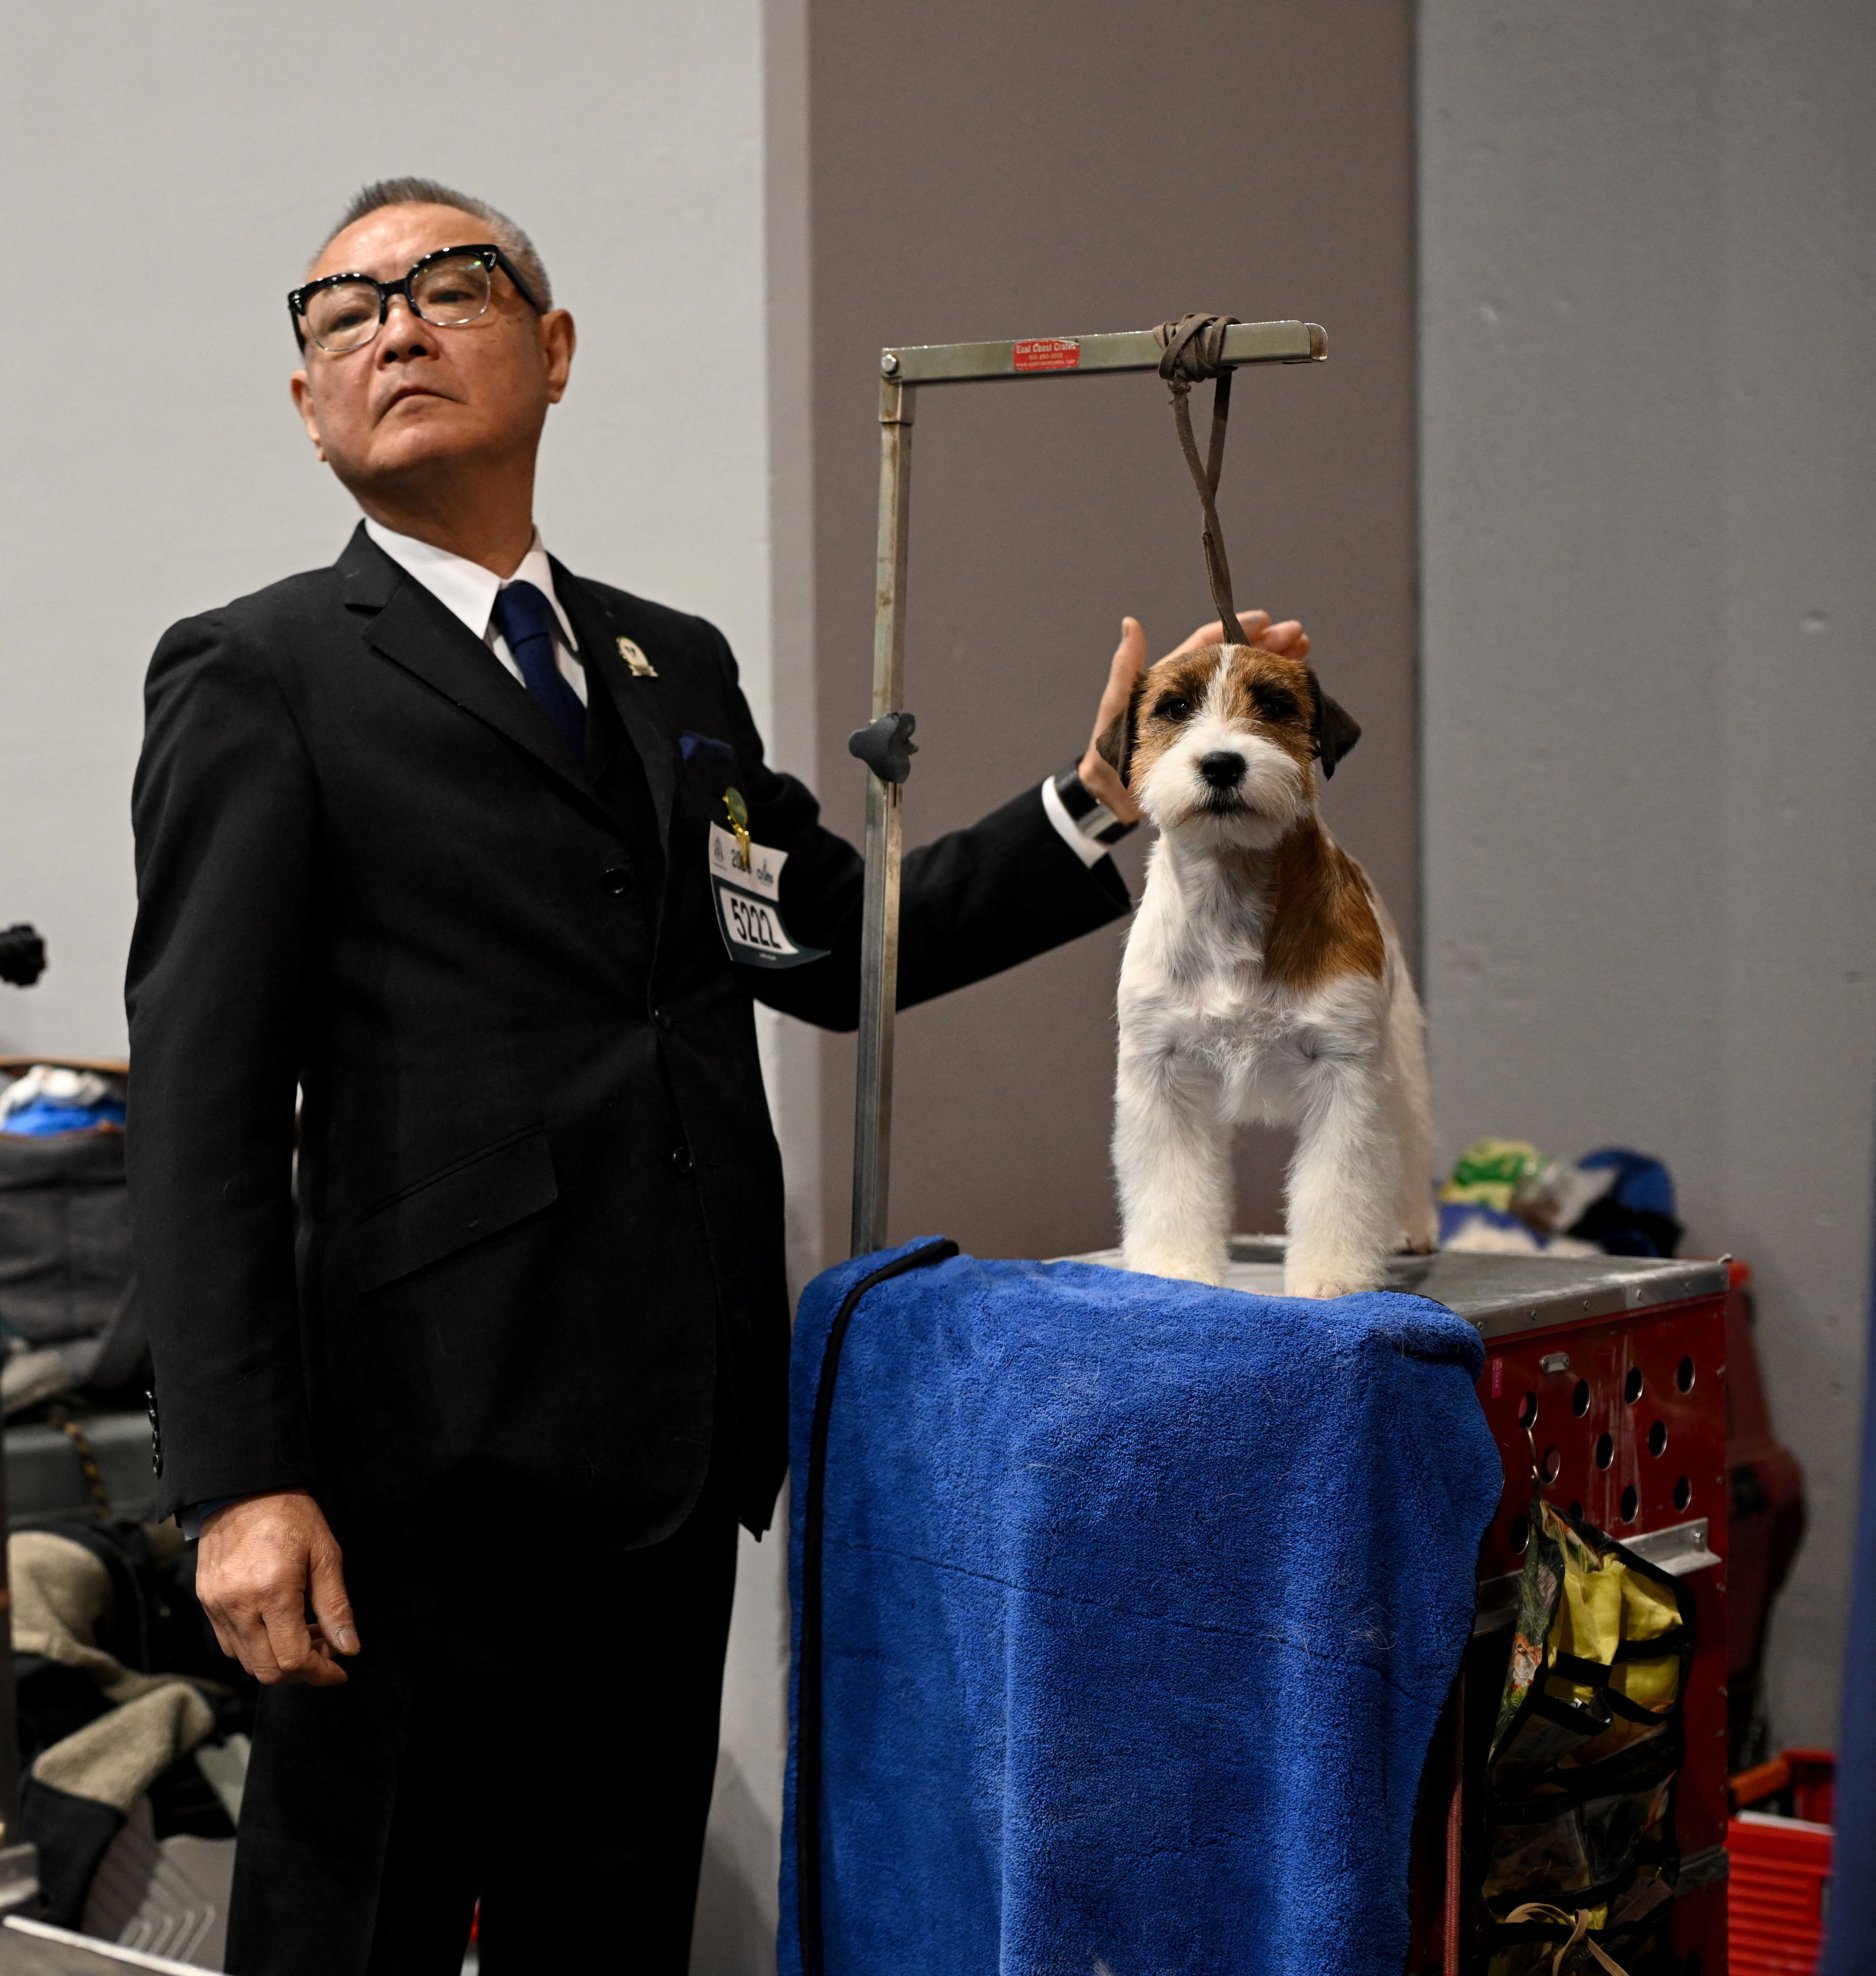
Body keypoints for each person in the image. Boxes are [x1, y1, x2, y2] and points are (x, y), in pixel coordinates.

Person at [124, 178, 1312, 1975]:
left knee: (604, 1934)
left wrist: (1092, 803)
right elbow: (199, 1109)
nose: (393, 327)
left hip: (667, 1453)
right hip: (408, 1471)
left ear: (552, 346)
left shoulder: (668, 662)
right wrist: (235, 1479)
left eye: (449, 285)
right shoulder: (260, 673)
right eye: (338, 311)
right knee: (350, 1925)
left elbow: (814, 946)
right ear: (307, 400)